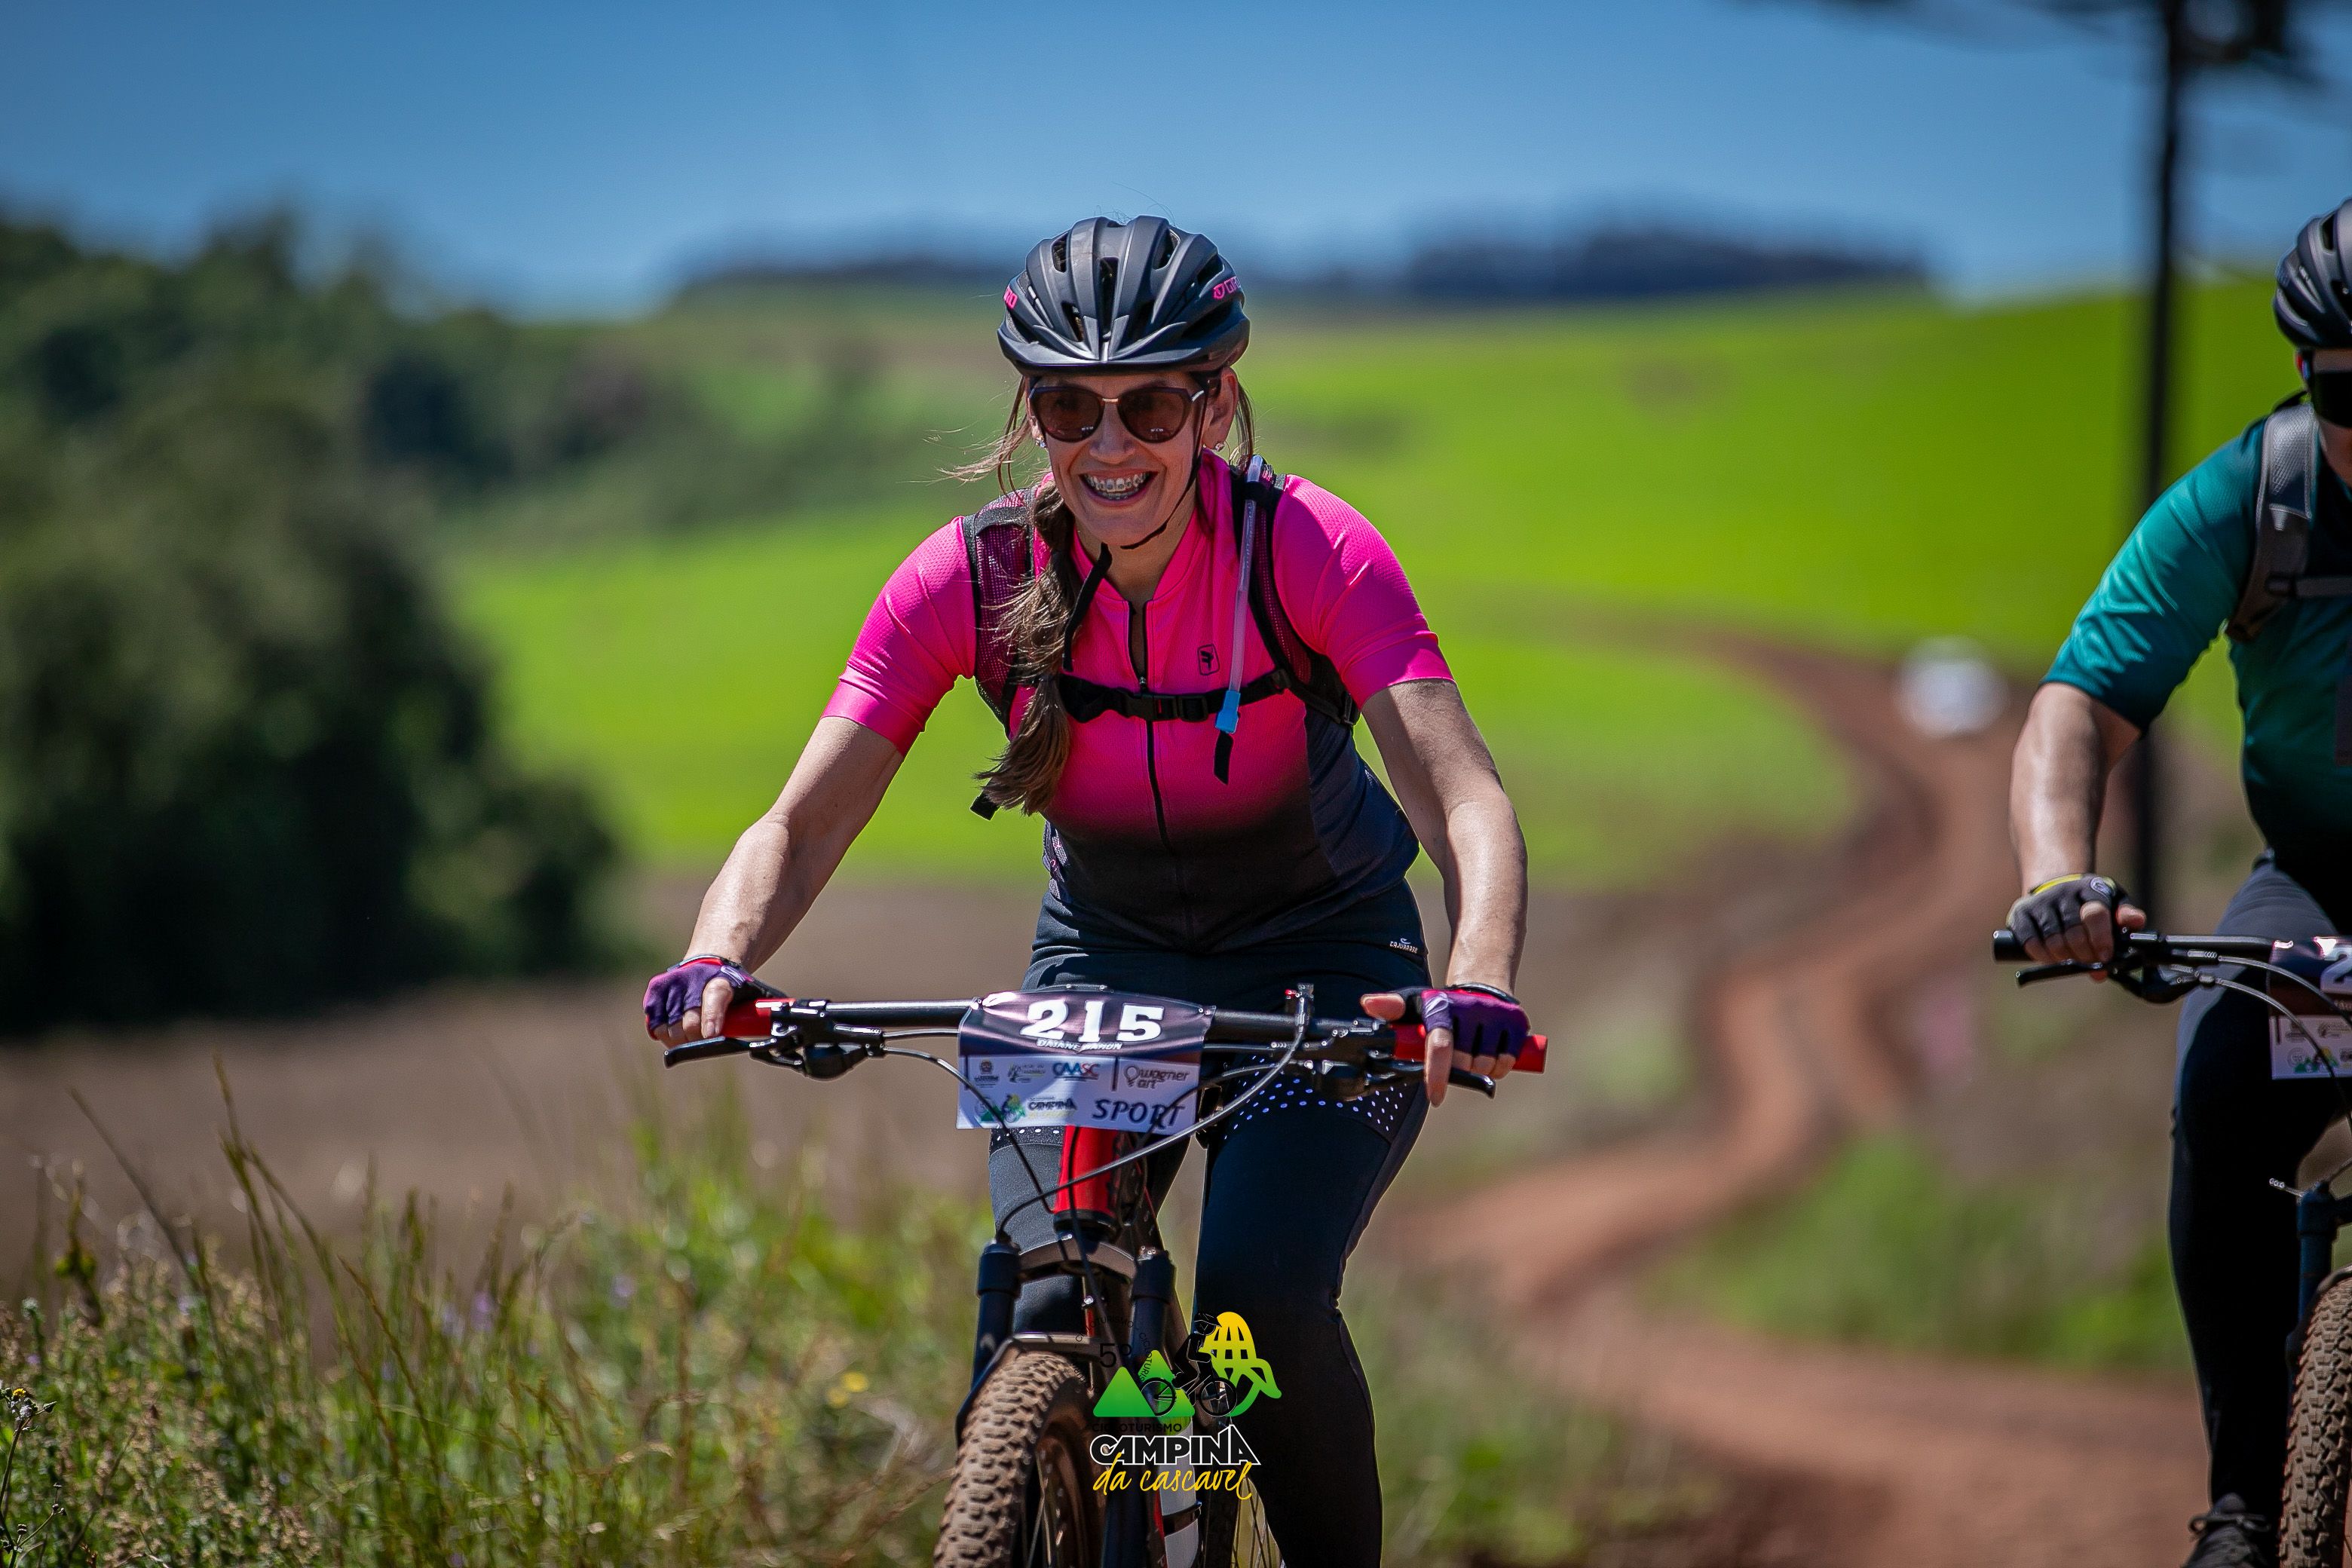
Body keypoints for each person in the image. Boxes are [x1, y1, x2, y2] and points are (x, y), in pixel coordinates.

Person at [642, 216, 1531, 1566]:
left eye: (1149, 406)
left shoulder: (1307, 550)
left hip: (1326, 967)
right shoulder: (973, 577)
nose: (1109, 446)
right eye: (1070, 407)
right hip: (1106, 963)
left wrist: (1475, 982)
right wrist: (718, 958)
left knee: (1255, 1298)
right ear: (1032, 415)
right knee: (1047, 1283)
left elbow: (1464, 799)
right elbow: (802, 823)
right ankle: (1064, 1476)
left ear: (1214, 405)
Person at [2007, 199, 2352, 1568]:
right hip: (2320, 884)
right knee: (2222, 1078)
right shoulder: (2251, 499)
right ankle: (2248, 1506)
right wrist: (2060, 879)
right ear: (2304, 375)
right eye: (2349, 392)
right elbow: (2079, 705)